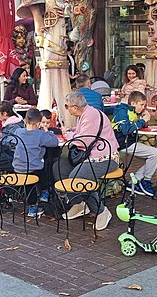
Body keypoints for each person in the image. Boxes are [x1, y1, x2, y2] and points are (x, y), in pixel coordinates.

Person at [61, 91, 120, 231]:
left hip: (106, 158)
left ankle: (101, 211)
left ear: (75, 107)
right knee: (60, 167)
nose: (66, 109)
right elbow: (82, 133)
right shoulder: (86, 114)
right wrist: (71, 132)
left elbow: (83, 141)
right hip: (93, 157)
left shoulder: (91, 116)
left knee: (77, 177)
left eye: (66, 106)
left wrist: (68, 135)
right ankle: (78, 203)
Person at [12, 108, 59, 217]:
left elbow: (12, 141)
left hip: (17, 167)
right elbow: (54, 142)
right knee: (44, 171)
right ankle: (43, 194)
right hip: (33, 169)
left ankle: (32, 204)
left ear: (25, 121)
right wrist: (47, 131)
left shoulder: (18, 132)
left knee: (30, 181)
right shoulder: (40, 135)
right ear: (38, 123)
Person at [111, 91, 157, 197]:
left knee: (155, 156)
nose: (143, 107)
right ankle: (144, 181)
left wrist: (144, 119)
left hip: (129, 142)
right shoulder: (122, 111)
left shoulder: (133, 112)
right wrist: (142, 121)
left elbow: (139, 126)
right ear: (133, 103)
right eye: (141, 105)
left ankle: (135, 180)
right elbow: (126, 130)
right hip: (121, 144)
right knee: (155, 153)